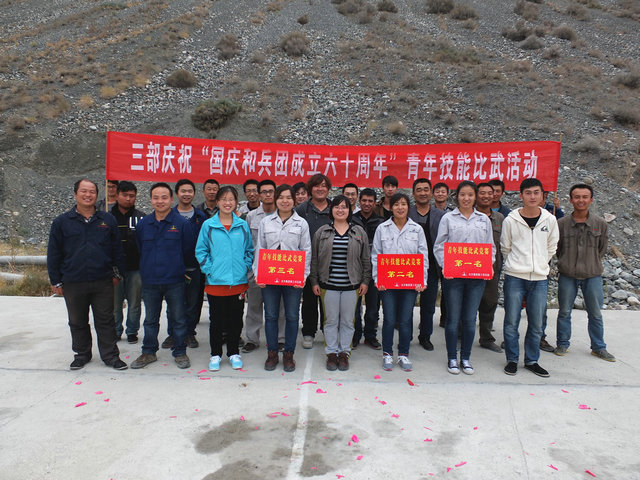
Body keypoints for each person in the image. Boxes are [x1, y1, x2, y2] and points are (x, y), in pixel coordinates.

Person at [47, 179, 127, 371]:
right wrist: (55, 280)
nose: (88, 195)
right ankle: (82, 354)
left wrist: (118, 274)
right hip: (73, 281)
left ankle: (110, 356)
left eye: (92, 192)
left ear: (97, 195)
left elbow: (117, 249)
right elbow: (54, 253)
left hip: (102, 280)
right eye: (84, 191)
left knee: (106, 320)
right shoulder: (61, 222)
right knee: (77, 321)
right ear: (75, 194)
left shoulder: (107, 220)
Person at [434, 181, 494, 375]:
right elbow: (439, 245)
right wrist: (446, 265)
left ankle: (466, 358)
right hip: (454, 278)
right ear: (457, 197)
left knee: (470, 319)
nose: (466, 198)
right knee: (453, 318)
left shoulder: (483, 220)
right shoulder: (448, 218)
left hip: (476, 278)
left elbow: (491, 247)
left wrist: (487, 265)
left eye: (470, 195)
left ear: (475, 197)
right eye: (462, 195)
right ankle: (452, 357)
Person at [131, 182, 193, 370]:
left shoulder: (182, 224)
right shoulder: (143, 224)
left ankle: (180, 351)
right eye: (156, 197)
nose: (160, 201)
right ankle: (149, 352)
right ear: (151, 200)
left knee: (179, 319)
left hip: (175, 280)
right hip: (150, 280)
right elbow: (140, 249)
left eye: (164, 197)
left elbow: (187, 250)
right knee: (150, 319)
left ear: (171, 199)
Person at [501, 178, 558, 378]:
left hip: (540, 279)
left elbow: (552, 246)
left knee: (536, 323)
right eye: (528, 193)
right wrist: (517, 264)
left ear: (542, 195)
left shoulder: (549, 220)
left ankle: (532, 360)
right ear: (521, 195)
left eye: (536, 193)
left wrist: (540, 263)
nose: (532, 197)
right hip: (515, 277)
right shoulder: (511, 220)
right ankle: (512, 359)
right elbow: (505, 247)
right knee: (511, 321)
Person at [553, 184, 615, 361]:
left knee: (595, 313)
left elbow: (602, 248)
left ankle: (598, 347)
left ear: (591, 200)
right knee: (564, 312)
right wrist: (567, 262)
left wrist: (591, 262)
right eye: (577, 197)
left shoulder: (600, 224)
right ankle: (562, 343)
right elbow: (558, 249)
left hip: (592, 275)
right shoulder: (561, 224)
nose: (581, 200)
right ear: (571, 200)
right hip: (568, 275)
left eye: (585, 197)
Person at [196, 186, 254, 371]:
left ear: (236, 202)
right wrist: (210, 270)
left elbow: (249, 250)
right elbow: (201, 251)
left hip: (238, 282)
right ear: (217, 202)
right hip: (215, 283)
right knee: (216, 321)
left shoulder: (242, 225)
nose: (227, 203)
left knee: (235, 320)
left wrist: (245, 267)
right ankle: (215, 354)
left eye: (231, 199)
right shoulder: (209, 225)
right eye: (224, 199)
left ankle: (233, 352)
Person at [311, 195, 371, 371]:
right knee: (330, 321)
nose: (340, 210)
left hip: (351, 285)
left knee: (347, 321)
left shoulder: (358, 232)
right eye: (337, 206)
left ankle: (344, 352)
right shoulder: (322, 232)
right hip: (327, 285)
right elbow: (314, 259)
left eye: (344, 207)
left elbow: (366, 259)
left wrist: (365, 281)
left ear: (349, 210)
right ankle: (331, 353)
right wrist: (314, 281)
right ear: (331, 210)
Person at [255, 184, 311, 372]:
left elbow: (306, 251)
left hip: (292, 278)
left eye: (288, 197)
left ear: (294, 200)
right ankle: (272, 353)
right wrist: (258, 274)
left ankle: (288, 354)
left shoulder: (301, 223)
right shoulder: (266, 222)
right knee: (270, 315)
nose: (285, 201)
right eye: (281, 197)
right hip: (269, 277)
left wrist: (303, 276)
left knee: (292, 316)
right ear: (275, 199)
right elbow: (260, 249)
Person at [372, 193, 428, 372]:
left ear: (408, 207)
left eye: (403, 204)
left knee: (405, 319)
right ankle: (387, 353)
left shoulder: (417, 229)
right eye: (396, 204)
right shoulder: (382, 228)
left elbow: (423, 256)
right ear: (391, 207)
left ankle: (404, 353)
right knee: (389, 319)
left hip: (410, 283)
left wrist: (422, 279)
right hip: (387, 283)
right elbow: (376, 255)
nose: (400, 207)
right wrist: (377, 278)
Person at [160, 179, 206, 350]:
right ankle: (172, 334)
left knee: (192, 303)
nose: (186, 194)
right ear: (177, 194)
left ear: (194, 193)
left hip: (194, 267)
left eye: (190, 191)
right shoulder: (168, 215)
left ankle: (189, 333)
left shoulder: (201, 216)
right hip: (172, 268)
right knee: (173, 303)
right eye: (183, 191)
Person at [244, 180, 286, 353]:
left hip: (279, 268)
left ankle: (280, 338)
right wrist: (250, 268)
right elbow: (247, 244)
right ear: (259, 195)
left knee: (280, 306)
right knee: (254, 305)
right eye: (264, 192)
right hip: (257, 268)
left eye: (271, 191)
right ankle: (252, 339)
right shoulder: (251, 216)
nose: (268, 195)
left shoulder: (284, 214)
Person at [296, 173, 332, 349]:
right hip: (308, 262)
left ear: (328, 189)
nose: (320, 189)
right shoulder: (302, 209)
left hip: (330, 263)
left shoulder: (334, 207)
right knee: (309, 300)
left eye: (324, 185)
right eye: (317, 185)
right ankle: (309, 332)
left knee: (328, 300)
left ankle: (328, 332)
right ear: (311, 188)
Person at [408, 178, 445, 351]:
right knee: (407, 304)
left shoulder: (441, 215)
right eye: (419, 190)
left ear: (431, 192)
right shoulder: (407, 212)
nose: (423, 193)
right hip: (408, 266)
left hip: (431, 266)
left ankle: (425, 336)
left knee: (428, 305)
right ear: (413, 193)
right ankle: (406, 335)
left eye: (426, 189)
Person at [110, 180, 145, 344]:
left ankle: (132, 331)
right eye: (125, 195)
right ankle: (116, 331)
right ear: (117, 195)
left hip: (135, 268)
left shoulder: (141, 218)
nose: (128, 199)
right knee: (115, 304)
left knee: (135, 302)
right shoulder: (107, 217)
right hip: (114, 269)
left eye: (132, 196)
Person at [351, 188, 384, 349]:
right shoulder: (352, 219)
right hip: (354, 268)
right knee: (354, 306)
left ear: (375, 203)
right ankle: (356, 335)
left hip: (374, 269)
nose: (367, 204)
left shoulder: (381, 222)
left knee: (373, 306)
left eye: (370, 201)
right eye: (364, 200)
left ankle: (370, 335)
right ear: (359, 201)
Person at [474, 182, 504, 353]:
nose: (486, 196)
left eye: (489, 193)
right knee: (467, 303)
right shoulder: (468, 215)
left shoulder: (500, 218)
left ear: (494, 196)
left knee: (490, 302)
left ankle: (486, 338)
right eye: (482, 193)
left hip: (492, 267)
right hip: (468, 266)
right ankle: (461, 336)